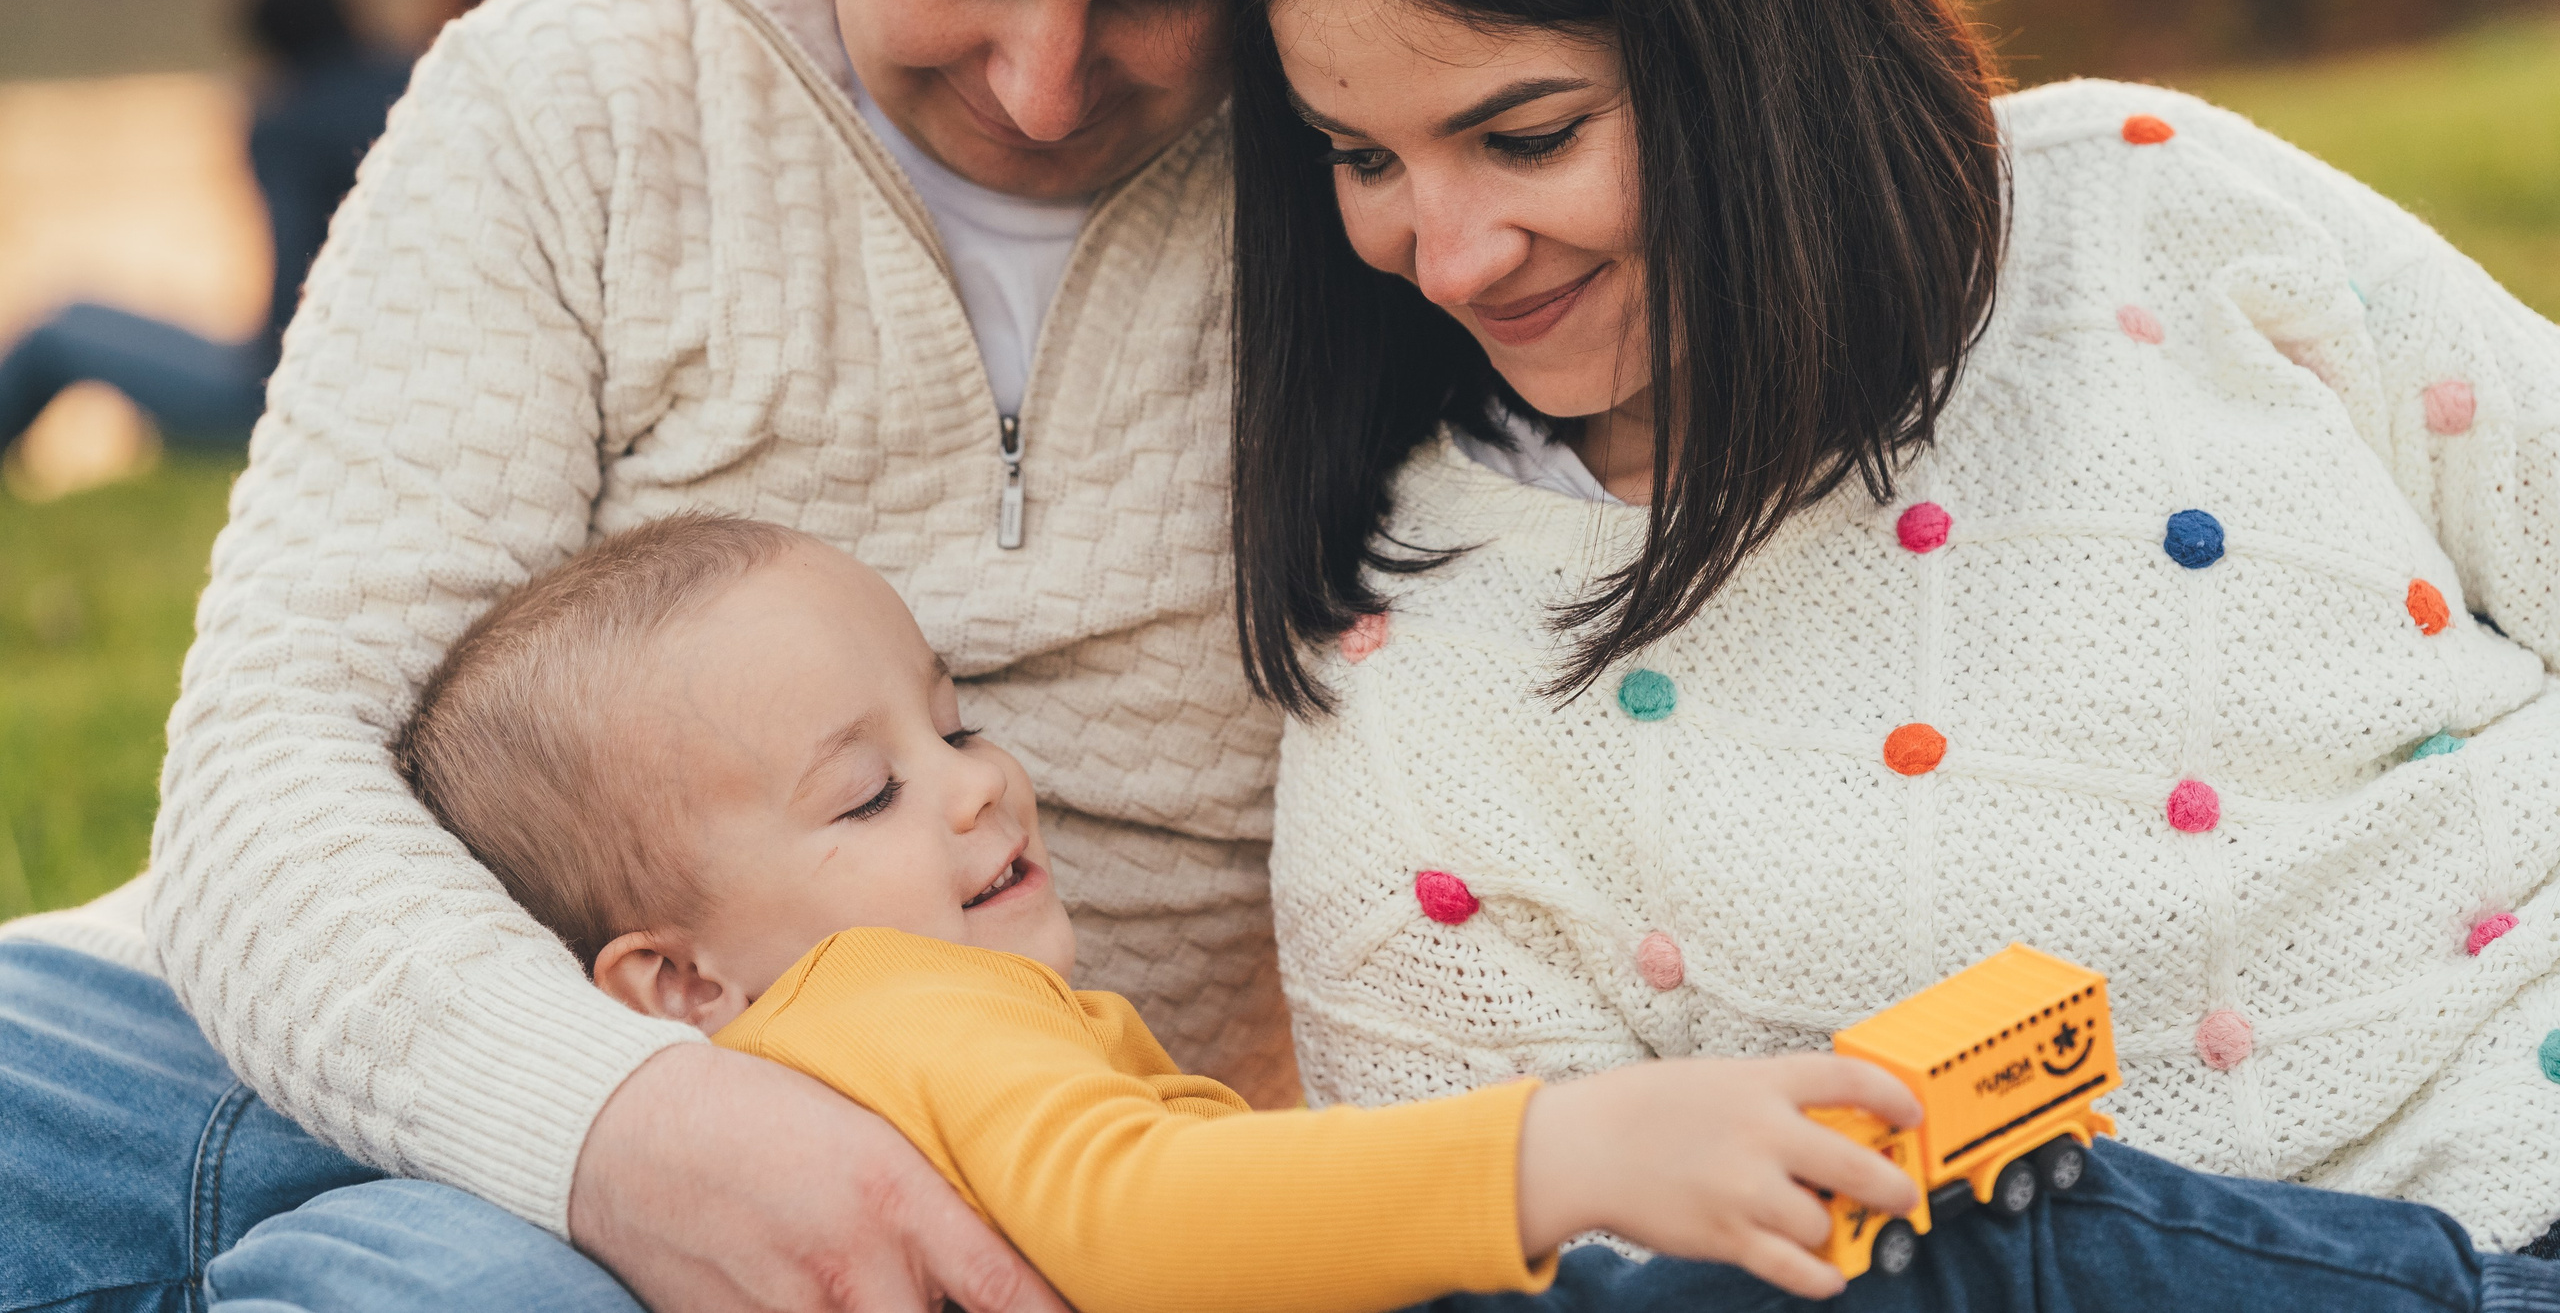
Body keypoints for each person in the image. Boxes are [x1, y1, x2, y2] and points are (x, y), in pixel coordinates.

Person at [0, 0, 1341, 1308]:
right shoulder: (565, 94)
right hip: (308, 1017)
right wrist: (621, 1121)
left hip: (932, 1150)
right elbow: (278, 744)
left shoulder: (1399, 174)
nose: (1046, 81)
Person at [1223, 0, 2560, 1294]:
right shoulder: (1420, 692)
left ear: (1746, 24)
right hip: (2095, 1275)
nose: (1453, 251)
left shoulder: (2153, 205)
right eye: (1363, 159)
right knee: (1989, 1236)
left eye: (1526, 134)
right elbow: (1548, 1268)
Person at [394, 510, 2549, 1313]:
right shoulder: (864, 1021)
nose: (971, 783)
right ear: (668, 977)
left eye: (950, 721)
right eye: (864, 787)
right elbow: (1141, 1222)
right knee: (2000, 1230)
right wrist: (1579, 1148)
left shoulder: (869, 1022)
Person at [0, 0, 409, 461]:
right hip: (399, 387)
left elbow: (289, 302)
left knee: (57, 332)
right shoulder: (415, 78)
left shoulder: (286, 123)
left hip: (292, 400)